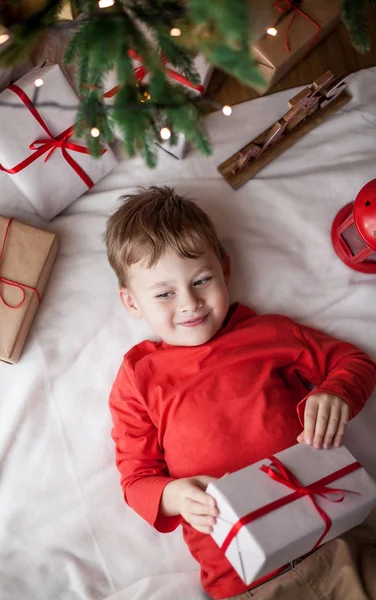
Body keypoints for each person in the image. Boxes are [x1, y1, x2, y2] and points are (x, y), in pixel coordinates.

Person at [106, 186, 376, 600]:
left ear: (225, 270)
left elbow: (354, 363)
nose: (190, 303)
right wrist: (173, 495)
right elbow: (136, 478)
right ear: (132, 302)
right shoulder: (138, 377)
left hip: (338, 537)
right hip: (246, 580)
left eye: (201, 280)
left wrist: (335, 392)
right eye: (164, 293)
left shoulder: (268, 333)